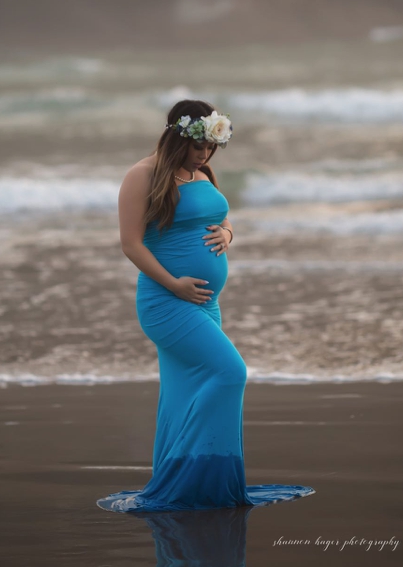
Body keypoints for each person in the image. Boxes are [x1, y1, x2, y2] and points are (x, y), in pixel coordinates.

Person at [97, 99, 312, 512]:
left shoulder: (201, 174)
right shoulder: (141, 176)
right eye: (199, 148)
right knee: (231, 372)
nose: (206, 155)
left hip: (204, 304)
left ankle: (187, 481)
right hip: (165, 302)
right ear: (179, 138)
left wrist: (228, 234)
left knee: (182, 393)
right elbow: (130, 244)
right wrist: (174, 284)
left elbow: (222, 216)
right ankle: (194, 478)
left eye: (211, 148)